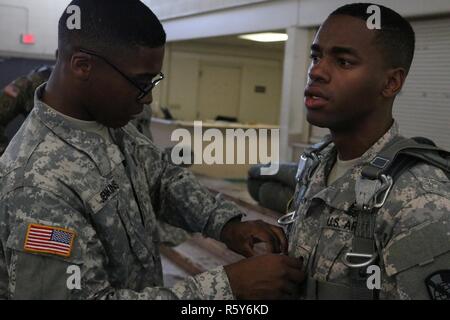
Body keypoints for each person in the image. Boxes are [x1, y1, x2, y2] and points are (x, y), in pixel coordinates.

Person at [0, 0, 305, 300]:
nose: (147, 99)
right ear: (82, 66)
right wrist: (228, 287)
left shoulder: (108, 124)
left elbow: (162, 176)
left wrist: (225, 224)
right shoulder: (36, 185)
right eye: (141, 82)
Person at [283, 3, 450, 300]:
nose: (317, 71)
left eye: (343, 62)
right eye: (316, 56)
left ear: (390, 83)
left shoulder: (421, 201)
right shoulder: (316, 162)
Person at [0, 64, 190, 247]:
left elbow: (134, 141)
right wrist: (13, 156)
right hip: (53, 176)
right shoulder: (33, 82)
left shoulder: (107, 90)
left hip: (108, 178)